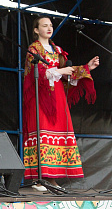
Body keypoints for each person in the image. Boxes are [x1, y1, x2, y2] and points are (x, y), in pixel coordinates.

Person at [23, 16, 99, 191]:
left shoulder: (57, 49)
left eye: (50, 25)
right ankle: (39, 177)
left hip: (57, 95)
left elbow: (66, 73)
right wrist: (59, 70)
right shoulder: (34, 49)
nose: (49, 28)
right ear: (36, 30)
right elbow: (37, 73)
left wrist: (87, 67)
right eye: (44, 26)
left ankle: (53, 178)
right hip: (41, 96)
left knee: (58, 131)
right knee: (42, 131)